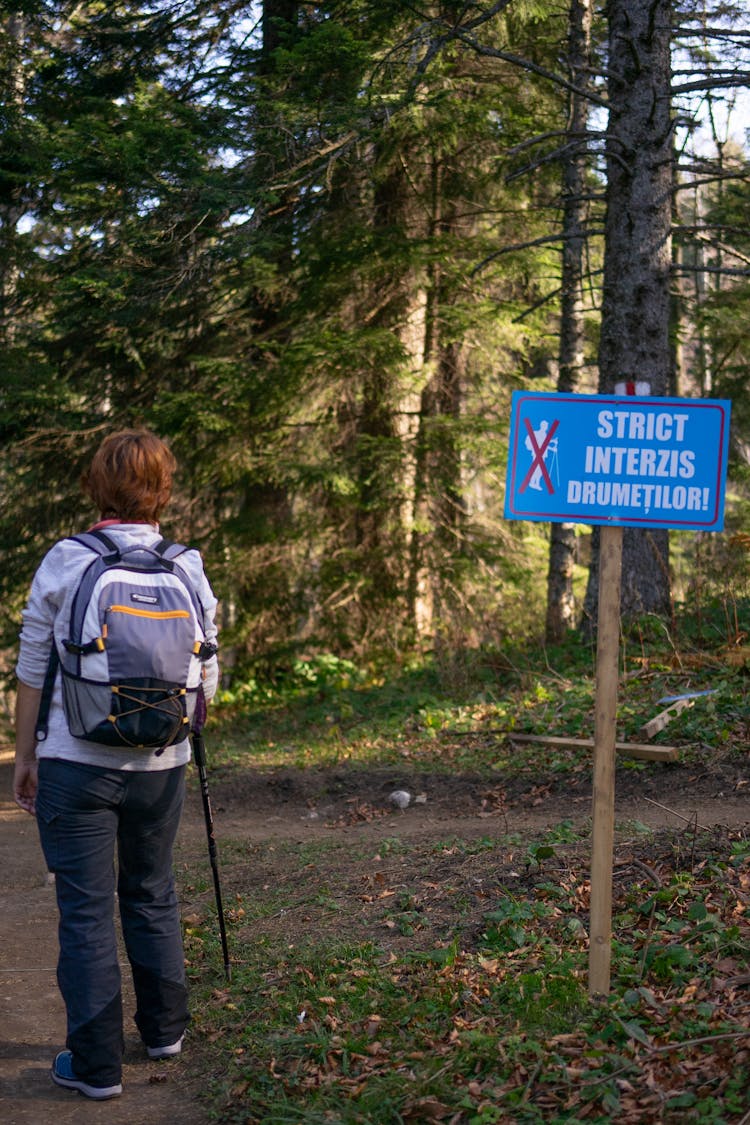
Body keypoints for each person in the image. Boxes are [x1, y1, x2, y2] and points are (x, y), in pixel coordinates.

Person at [13, 429, 219, 1101]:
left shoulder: (68, 559)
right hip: (163, 762)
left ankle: (96, 1064)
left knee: (85, 908)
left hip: (75, 760)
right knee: (153, 888)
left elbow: (34, 666)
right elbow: (206, 667)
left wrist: (25, 755)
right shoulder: (185, 563)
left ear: (96, 486)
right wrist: (188, 732)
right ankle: (164, 1030)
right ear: (163, 488)